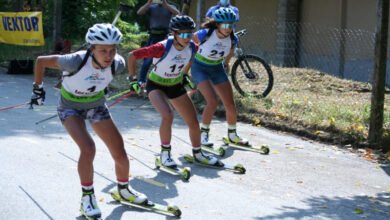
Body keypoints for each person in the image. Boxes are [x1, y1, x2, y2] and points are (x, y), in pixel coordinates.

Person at [30, 23, 147, 219]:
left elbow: (106, 77)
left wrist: (134, 82)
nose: (108, 56)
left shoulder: (117, 64)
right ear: (91, 49)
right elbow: (41, 61)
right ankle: (87, 198)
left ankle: (124, 190)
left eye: (112, 50)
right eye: (103, 51)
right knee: (88, 148)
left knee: (119, 150)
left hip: (96, 106)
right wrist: (38, 89)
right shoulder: (74, 61)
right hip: (70, 108)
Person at [127, 15, 219, 168]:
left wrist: (184, 75)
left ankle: (198, 153)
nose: (187, 37)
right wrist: (133, 80)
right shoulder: (162, 47)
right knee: (167, 115)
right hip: (156, 85)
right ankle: (165, 155)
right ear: (174, 33)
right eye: (183, 34)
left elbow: (190, 59)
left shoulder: (192, 47)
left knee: (193, 121)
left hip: (175, 85)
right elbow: (132, 56)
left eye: (190, 34)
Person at [191, 8, 249, 148]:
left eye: (232, 25)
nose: (229, 28)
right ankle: (203, 135)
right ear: (217, 24)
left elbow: (230, 50)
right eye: (225, 25)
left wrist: (226, 63)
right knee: (212, 101)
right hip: (200, 68)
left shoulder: (233, 38)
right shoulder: (206, 33)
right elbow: (188, 41)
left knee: (230, 104)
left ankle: (232, 135)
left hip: (217, 68)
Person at [137, 0, 180, 86]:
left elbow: (177, 13)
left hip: (165, 36)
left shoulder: (170, 6)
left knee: (166, 58)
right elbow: (139, 12)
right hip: (153, 35)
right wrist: (149, 2)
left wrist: (165, 4)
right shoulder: (152, 6)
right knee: (148, 59)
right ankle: (141, 81)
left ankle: (164, 81)